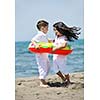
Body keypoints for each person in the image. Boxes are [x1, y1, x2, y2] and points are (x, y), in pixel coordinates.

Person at [31, 20, 50, 87]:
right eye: (47, 28)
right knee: (43, 67)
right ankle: (41, 82)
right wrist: (36, 45)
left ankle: (43, 80)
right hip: (41, 54)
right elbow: (33, 40)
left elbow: (46, 41)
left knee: (47, 67)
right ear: (42, 28)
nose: (48, 29)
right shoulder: (40, 34)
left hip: (45, 54)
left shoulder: (43, 35)